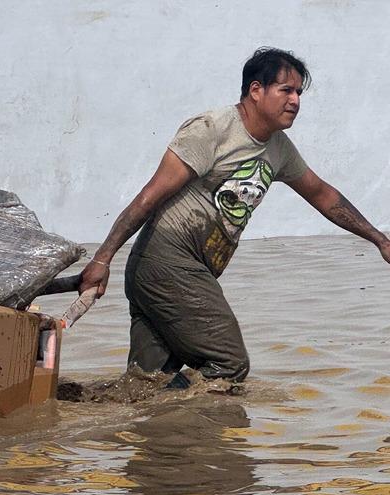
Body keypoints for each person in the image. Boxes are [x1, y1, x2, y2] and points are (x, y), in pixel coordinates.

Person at [78, 47, 390, 386]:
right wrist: (102, 259)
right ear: (256, 91)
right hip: (167, 261)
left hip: (181, 271)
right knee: (228, 363)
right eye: (286, 89)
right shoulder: (212, 129)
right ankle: (204, 430)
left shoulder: (278, 148)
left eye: (299, 92)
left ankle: (143, 429)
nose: (296, 100)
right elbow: (147, 198)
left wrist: (380, 240)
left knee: (144, 385)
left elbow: (322, 194)